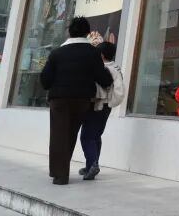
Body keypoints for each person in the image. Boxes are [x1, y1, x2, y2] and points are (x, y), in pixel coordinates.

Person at [39, 16, 113, 185]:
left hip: (58, 100)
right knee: (71, 134)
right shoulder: (93, 53)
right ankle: (61, 171)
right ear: (87, 33)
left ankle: (59, 174)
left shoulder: (57, 53)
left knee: (58, 135)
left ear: (69, 32)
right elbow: (104, 79)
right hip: (81, 101)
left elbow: (45, 80)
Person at [79, 41, 124, 181]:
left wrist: (108, 102)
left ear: (102, 55)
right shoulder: (115, 67)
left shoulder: (106, 68)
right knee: (95, 136)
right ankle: (91, 164)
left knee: (87, 136)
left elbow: (117, 90)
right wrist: (111, 103)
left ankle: (92, 164)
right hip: (104, 107)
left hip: (98, 106)